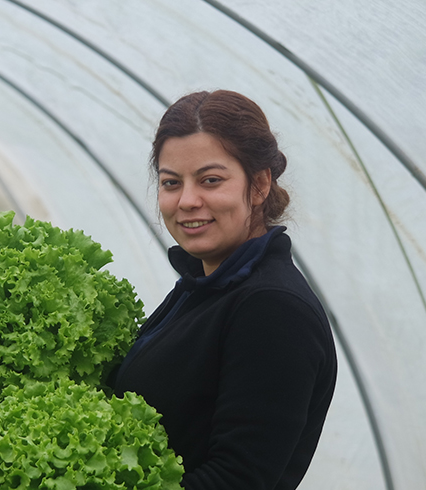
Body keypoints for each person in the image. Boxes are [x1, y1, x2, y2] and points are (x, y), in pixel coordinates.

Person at [111, 90, 337, 489]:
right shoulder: (205, 287)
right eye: (171, 183)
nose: (187, 201)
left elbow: (238, 479)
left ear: (259, 184)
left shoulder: (271, 309)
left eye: (210, 180)